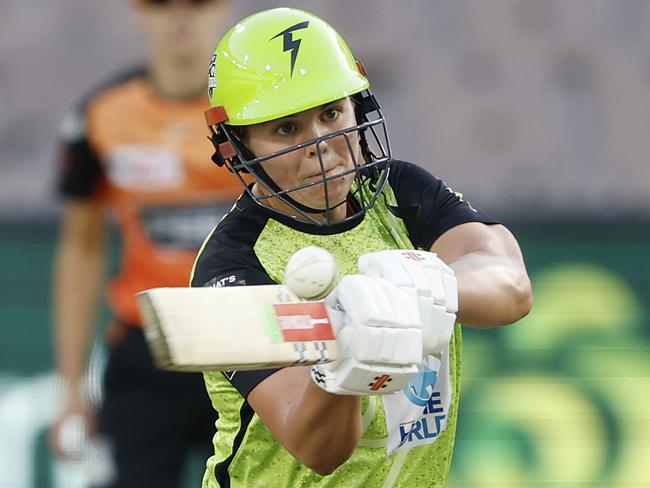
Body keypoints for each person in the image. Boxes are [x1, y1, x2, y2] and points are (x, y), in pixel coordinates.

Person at [192, 7, 533, 487]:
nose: (320, 144)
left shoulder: (400, 192)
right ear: (239, 149)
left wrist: (420, 288)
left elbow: (512, 287)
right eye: (286, 128)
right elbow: (318, 449)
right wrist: (352, 359)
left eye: (332, 113)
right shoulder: (231, 268)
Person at [49, 1, 240, 486]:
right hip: (149, 350)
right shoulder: (102, 115)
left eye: (197, 1)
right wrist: (70, 387)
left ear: (223, 7)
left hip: (251, 343)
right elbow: (81, 249)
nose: (179, 14)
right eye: (160, 1)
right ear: (138, 11)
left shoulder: (261, 113)